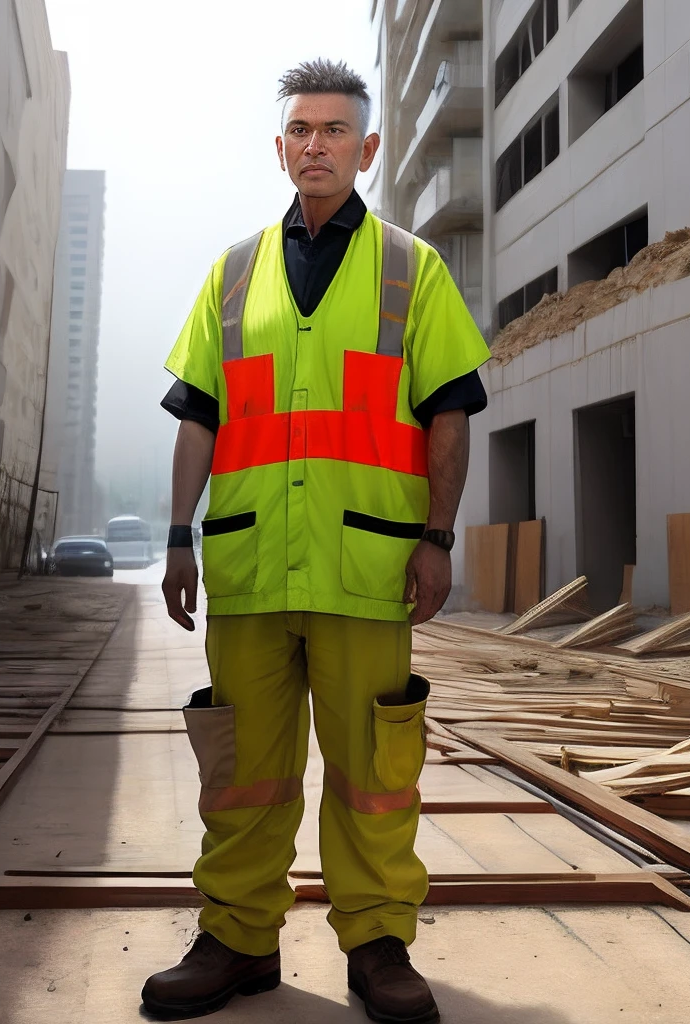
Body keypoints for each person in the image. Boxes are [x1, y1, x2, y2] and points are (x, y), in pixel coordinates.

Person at [143, 59, 490, 1023]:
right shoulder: (233, 272)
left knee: (374, 774)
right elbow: (199, 418)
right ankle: (236, 940)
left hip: (369, 567)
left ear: (368, 148)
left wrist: (439, 537)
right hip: (251, 568)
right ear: (280, 147)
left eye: (336, 130)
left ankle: (378, 942)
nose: (317, 144)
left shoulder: (411, 269)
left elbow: (450, 414)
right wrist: (179, 538)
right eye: (301, 129)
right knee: (242, 768)